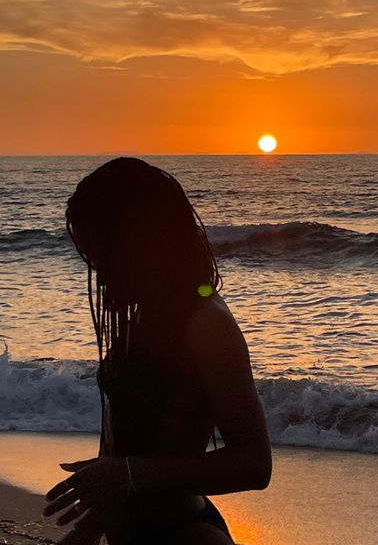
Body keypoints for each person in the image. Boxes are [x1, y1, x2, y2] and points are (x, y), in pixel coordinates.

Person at [43, 157, 272, 545]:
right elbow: (123, 435)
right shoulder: (144, 312)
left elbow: (254, 464)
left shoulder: (206, 323)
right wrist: (91, 525)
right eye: (91, 260)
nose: (99, 275)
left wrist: (129, 475)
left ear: (142, 244)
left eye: (103, 258)